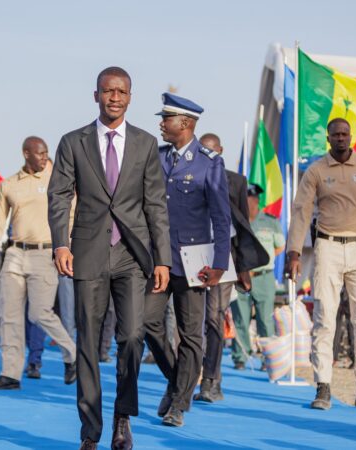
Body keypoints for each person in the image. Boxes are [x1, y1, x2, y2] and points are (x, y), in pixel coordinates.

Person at [48, 66, 171, 450]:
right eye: (107, 91)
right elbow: (58, 195)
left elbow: (155, 205)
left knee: (133, 336)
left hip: (133, 256)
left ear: (130, 97)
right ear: (96, 95)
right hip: (87, 252)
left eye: (121, 91)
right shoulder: (73, 142)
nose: (114, 97)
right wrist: (60, 243)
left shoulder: (146, 143)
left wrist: (162, 259)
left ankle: (122, 417)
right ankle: (90, 431)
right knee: (88, 343)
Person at [285, 117, 356, 412]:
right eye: (336, 135)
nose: (341, 138)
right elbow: (301, 211)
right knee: (324, 317)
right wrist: (293, 252)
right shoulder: (316, 171)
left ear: (351, 136)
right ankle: (323, 387)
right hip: (328, 247)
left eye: (346, 134)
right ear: (328, 139)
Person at [143, 93, 231, 428]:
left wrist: (220, 264)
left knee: (191, 334)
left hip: (195, 261)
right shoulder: (157, 156)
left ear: (186, 123)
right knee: (147, 322)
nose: (161, 124)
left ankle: (179, 403)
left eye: (166, 118)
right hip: (158, 259)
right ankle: (177, 379)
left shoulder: (209, 162)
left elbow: (222, 218)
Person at [0, 136, 76, 391]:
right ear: (26, 154)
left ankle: (72, 354)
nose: (44, 157)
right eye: (40, 153)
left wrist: (70, 246)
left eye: (46, 153)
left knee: (39, 313)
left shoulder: (58, 180)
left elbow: (72, 214)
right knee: (8, 315)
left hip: (46, 253)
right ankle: (10, 374)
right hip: (15, 253)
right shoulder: (10, 185)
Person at [194, 132, 265, 403]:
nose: (208, 155)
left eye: (212, 151)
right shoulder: (188, 178)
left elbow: (243, 227)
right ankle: (191, 375)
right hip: (192, 256)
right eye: (203, 151)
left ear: (221, 151)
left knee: (214, 317)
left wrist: (243, 268)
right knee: (189, 323)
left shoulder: (235, 182)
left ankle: (211, 380)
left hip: (224, 260)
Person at [230, 184, 284, 370]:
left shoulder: (270, 222)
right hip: (240, 277)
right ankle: (240, 357)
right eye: (247, 198)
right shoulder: (235, 220)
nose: (250, 202)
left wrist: (261, 263)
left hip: (263, 277)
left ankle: (267, 358)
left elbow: (279, 247)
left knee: (265, 319)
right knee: (240, 319)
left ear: (257, 201)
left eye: (253, 199)